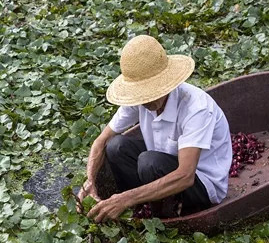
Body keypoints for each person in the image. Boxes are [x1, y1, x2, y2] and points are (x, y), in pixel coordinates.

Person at [79, 35, 232, 223]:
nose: (146, 100)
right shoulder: (139, 99)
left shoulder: (196, 108)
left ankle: (163, 216)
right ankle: (144, 203)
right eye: (141, 94)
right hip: (161, 165)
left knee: (149, 162)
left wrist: (125, 198)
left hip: (201, 183)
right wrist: (90, 181)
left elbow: (185, 175)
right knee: (116, 146)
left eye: (151, 92)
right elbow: (101, 141)